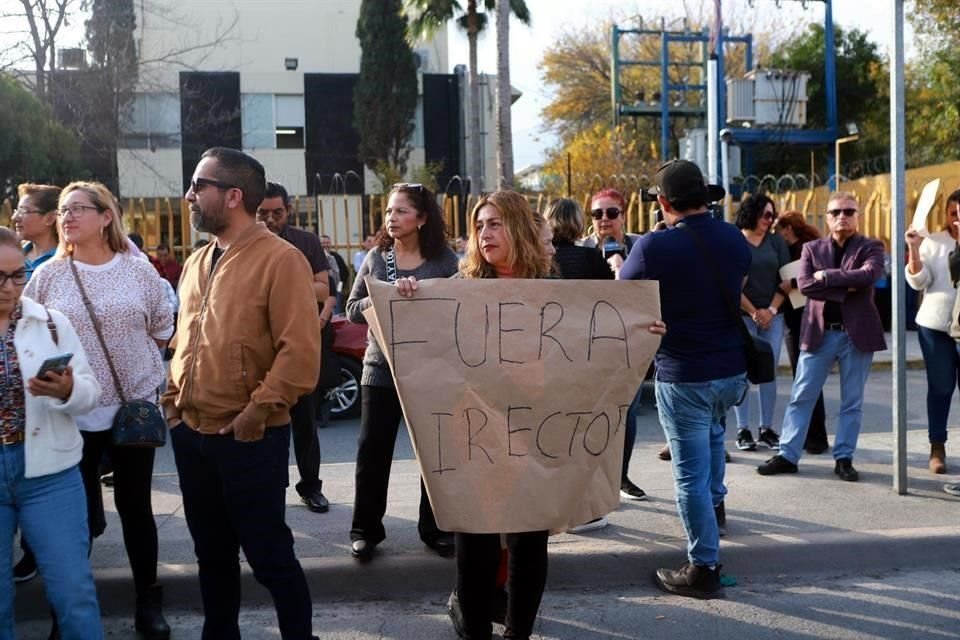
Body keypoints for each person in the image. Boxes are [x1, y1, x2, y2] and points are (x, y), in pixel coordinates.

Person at [162, 147, 322, 639]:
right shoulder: (195, 262)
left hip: (249, 439)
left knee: (269, 556)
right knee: (211, 556)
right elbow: (182, 338)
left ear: (233, 196)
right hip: (192, 436)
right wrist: (172, 406)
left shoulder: (282, 259)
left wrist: (257, 412)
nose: (189, 195)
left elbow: (300, 355)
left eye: (198, 185)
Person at [25, 181, 174, 639]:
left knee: (136, 507)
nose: (66, 217)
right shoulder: (49, 275)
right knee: (77, 518)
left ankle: (148, 604)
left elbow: (162, 329)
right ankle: (65, 616)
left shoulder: (137, 269)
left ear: (106, 217)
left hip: (130, 410)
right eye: (63, 211)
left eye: (78, 210)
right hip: (71, 411)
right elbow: (30, 333)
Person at [619, 160, 749, 599]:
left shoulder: (654, 247)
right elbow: (736, 285)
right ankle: (718, 509)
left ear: (663, 203)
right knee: (714, 437)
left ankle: (703, 568)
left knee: (688, 475)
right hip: (731, 370)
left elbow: (624, 289)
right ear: (706, 198)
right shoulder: (733, 236)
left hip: (685, 372)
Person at [0, 226, 104, 639]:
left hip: (50, 475)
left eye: (18, 274)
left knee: (73, 592)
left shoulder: (51, 323)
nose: (10, 287)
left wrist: (68, 389)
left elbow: (91, 393)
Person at [345, 183, 459, 561]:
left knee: (434, 452)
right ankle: (365, 531)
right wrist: (387, 294)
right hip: (381, 368)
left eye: (401, 212)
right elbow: (351, 307)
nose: (391, 218)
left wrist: (423, 293)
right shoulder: (378, 257)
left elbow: (459, 306)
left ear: (422, 218)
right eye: (389, 212)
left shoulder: (445, 260)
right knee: (371, 452)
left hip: (431, 369)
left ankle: (437, 529)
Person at [758, 192, 886, 482]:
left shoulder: (871, 246)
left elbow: (869, 276)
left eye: (849, 211)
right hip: (820, 333)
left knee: (851, 401)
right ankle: (788, 455)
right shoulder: (812, 249)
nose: (843, 216)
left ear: (858, 216)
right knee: (802, 396)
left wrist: (826, 277)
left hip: (857, 336)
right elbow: (804, 285)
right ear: (827, 218)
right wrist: (846, 283)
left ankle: (844, 458)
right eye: (836, 211)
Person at [257, 181, 332, 513]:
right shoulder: (245, 243)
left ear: (288, 210)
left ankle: (310, 486)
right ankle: (269, 487)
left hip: (298, 342)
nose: (271, 219)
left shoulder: (305, 241)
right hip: (258, 345)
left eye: (278, 212)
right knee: (264, 420)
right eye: (263, 213)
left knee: (304, 421)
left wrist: (285, 279)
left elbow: (322, 290)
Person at [10, 183, 61, 584]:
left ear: (49, 218)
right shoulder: (21, 256)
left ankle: (41, 550)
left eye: (25, 210)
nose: (16, 217)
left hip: (50, 388)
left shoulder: (56, 265)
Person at [905, 188, 960, 474]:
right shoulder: (934, 242)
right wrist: (914, 248)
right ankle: (937, 447)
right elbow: (918, 281)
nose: (957, 220)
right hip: (936, 327)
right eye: (953, 214)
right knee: (940, 388)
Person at [733, 195, 790, 452]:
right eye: (765, 215)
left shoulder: (776, 242)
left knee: (769, 371)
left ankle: (767, 428)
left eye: (772, 215)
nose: (770, 220)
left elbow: (788, 279)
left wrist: (771, 309)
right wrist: (754, 311)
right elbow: (731, 283)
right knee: (741, 372)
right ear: (752, 213)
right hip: (744, 316)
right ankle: (742, 429)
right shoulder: (734, 240)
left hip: (773, 315)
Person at [775, 212, 830, 454]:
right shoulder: (808, 245)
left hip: (802, 319)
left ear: (787, 229)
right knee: (806, 380)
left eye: (779, 229)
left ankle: (815, 438)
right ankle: (812, 436)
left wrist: (792, 284)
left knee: (806, 380)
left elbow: (816, 277)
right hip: (801, 317)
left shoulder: (804, 248)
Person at [581, 188, 642, 275]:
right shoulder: (581, 246)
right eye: (597, 214)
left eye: (612, 212)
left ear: (623, 217)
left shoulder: (638, 244)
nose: (604, 218)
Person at [13, 183, 60, 281]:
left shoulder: (66, 261)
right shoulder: (12, 255)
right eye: (17, 211)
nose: (15, 218)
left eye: (23, 211)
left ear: (50, 218)